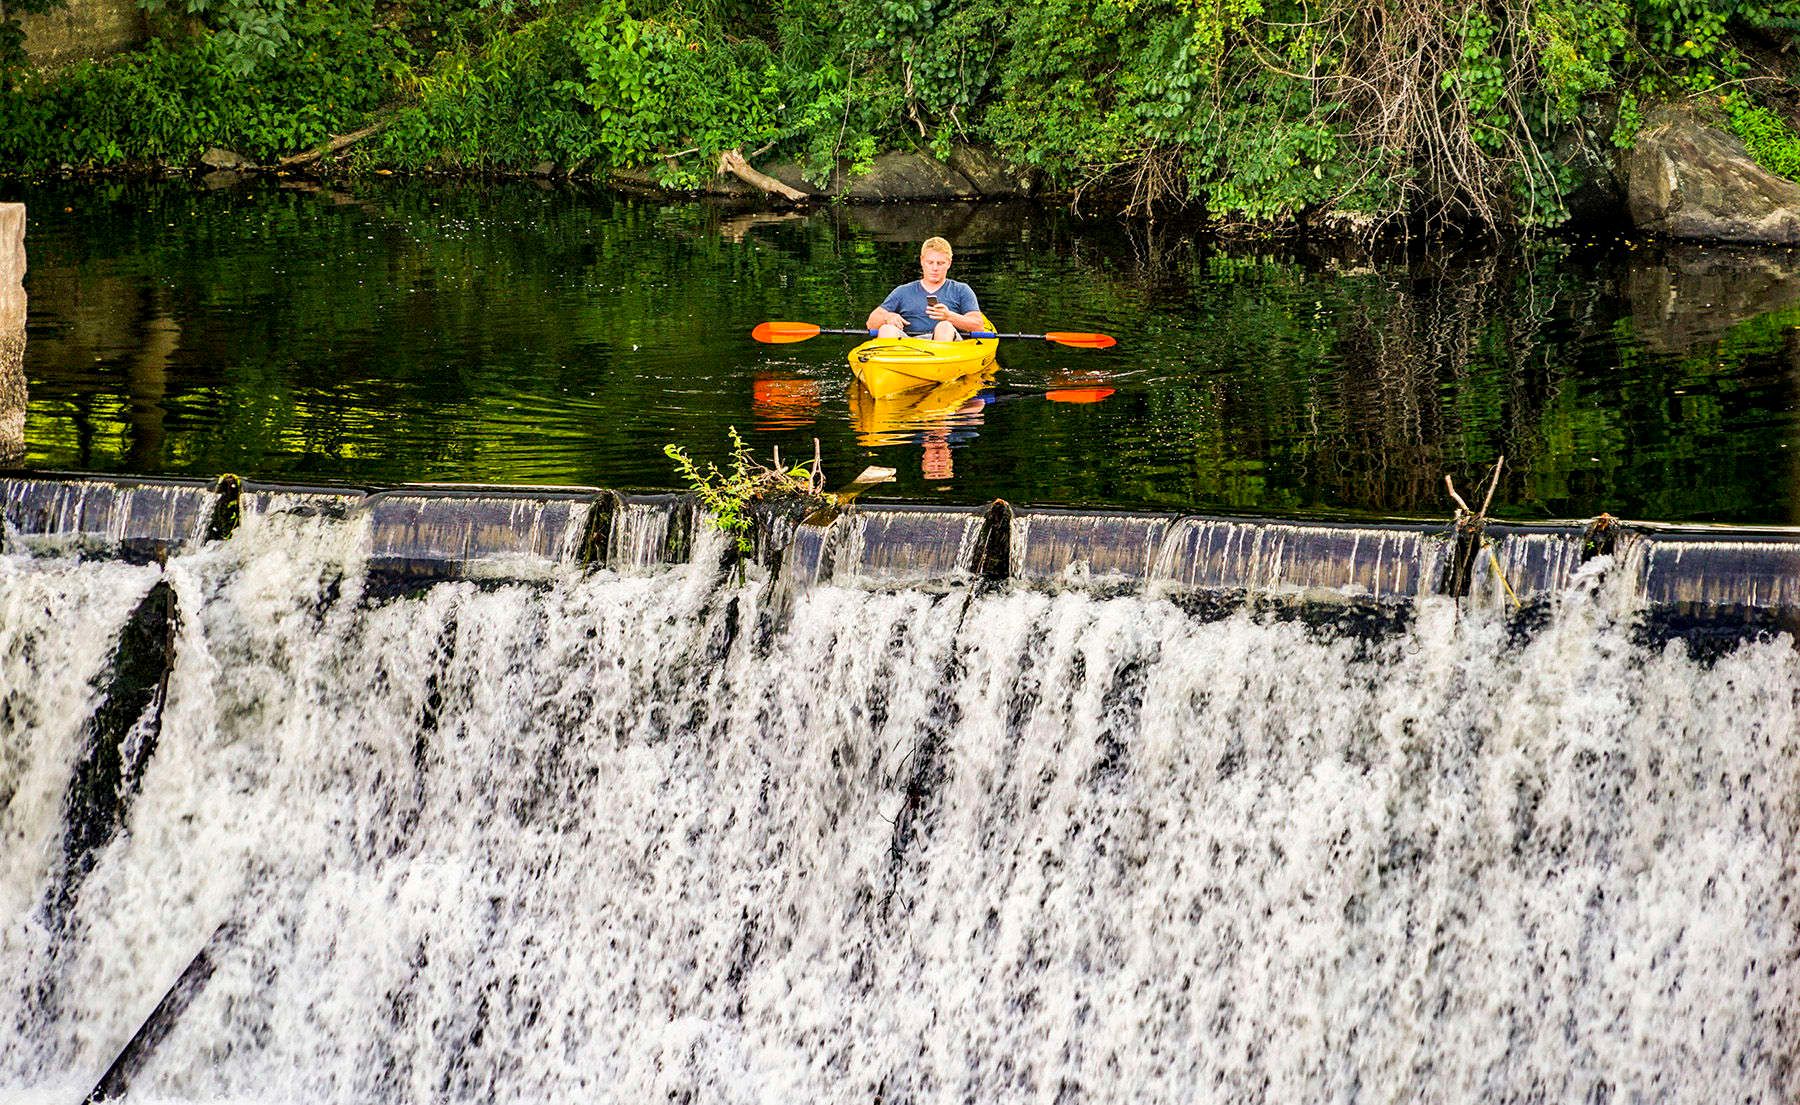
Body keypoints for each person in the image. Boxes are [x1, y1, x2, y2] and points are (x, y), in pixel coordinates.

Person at [865, 236, 982, 342]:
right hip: (910, 344)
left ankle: (938, 357)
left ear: (949, 263)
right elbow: (871, 323)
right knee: (886, 329)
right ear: (922, 261)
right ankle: (889, 358)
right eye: (930, 262)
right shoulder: (902, 291)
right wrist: (887, 317)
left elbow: (978, 326)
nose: (934, 268)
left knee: (944, 326)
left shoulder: (961, 290)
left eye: (940, 263)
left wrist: (949, 316)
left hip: (947, 345)